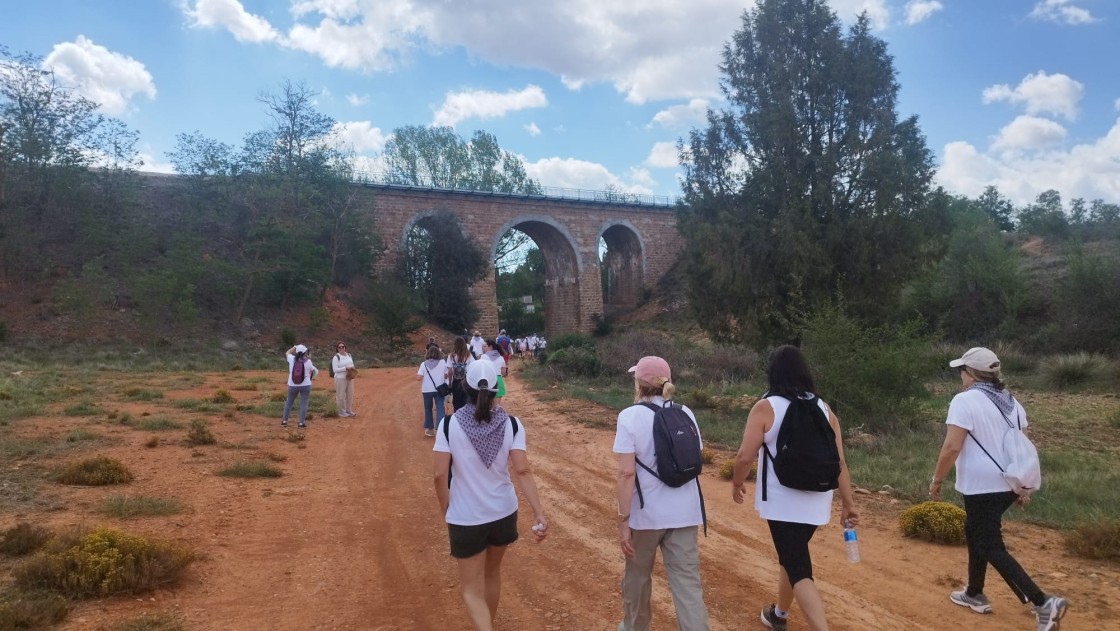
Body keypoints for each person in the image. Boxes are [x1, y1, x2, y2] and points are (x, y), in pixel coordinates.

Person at [930, 347, 1069, 631]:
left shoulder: (964, 400)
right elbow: (1024, 448)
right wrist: (1022, 487)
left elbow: (952, 446)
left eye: (961, 370)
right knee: (975, 531)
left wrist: (937, 479)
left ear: (970, 374)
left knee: (989, 544)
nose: (960, 375)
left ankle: (1043, 602)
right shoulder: (1012, 402)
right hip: (1007, 482)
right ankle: (974, 593)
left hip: (981, 486)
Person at [730, 345, 857, 631]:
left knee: (799, 567)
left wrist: (737, 482)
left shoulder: (765, 407)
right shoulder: (824, 409)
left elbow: (744, 456)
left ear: (773, 372)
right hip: (817, 500)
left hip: (781, 502)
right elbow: (840, 463)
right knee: (792, 556)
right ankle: (779, 614)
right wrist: (848, 503)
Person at [433, 360, 548, 631]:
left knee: (471, 589)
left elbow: (439, 476)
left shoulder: (449, 425)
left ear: (465, 387)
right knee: (492, 574)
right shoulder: (513, 424)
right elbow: (523, 470)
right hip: (503, 513)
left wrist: (446, 510)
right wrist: (539, 512)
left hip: (466, 517)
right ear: (497, 389)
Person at [614, 356, 710, 631]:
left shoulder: (629, 416)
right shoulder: (686, 412)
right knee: (687, 584)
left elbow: (626, 474)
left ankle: (634, 628)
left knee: (637, 578)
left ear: (639, 383)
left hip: (645, 517)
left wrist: (623, 521)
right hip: (685, 512)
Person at [282, 344, 319, 429]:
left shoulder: (291, 359)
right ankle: (301, 423)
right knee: (303, 403)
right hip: (305, 385)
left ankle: (284, 421)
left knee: (289, 402)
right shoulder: (308, 361)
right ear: (305, 352)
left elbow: (287, 352)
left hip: (292, 385)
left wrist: (294, 347)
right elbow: (315, 372)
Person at [417, 346, 449, 438]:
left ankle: (429, 429)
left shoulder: (423, 364)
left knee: (428, 409)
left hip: (427, 390)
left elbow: (419, 378)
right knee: (440, 408)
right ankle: (440, 428)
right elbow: (447, 375)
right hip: (439, 389)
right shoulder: (443, 363)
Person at [446, 336, 475, 411]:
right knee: (465, 402)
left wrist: (449, 383)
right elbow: (473, 369)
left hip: (455, 382)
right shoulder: (469, 356)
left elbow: (450, 371)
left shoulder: (451, 356)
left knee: (456, 402)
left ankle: (456, 419)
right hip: (466, 382)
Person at [331, 341, 356, 417]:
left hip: (349, 377)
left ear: (345, 348)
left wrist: (352, 369)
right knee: (340, 395)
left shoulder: (349, 355)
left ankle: (348, 410)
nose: (341, 348)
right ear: (337, 349)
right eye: (339, 347)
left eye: (343, 347)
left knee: (350, 394)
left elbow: (352, 364)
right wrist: (345, 368)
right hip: (340, 378)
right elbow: (335, 370)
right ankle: (341, 412)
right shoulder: (336, 357)